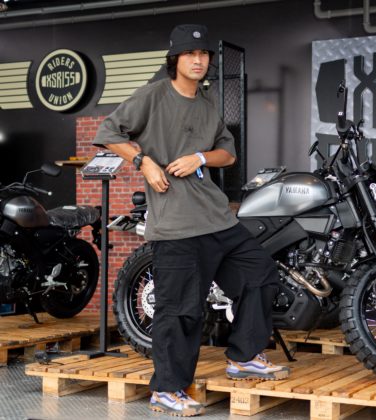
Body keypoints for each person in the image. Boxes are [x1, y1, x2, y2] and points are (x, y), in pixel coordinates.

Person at [93, 24, 289, 417]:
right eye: (189, 54)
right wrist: (143, 161)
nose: (198, 60)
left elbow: (227, 154)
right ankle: (167, 389)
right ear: (175, 59)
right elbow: (107, 131)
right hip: (176, 224)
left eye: (203, 55)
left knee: (260, 275)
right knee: (181, 309)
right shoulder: (153, 95)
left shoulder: (206, 102)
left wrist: (200, 157)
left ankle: (244, 356)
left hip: (216, 217)